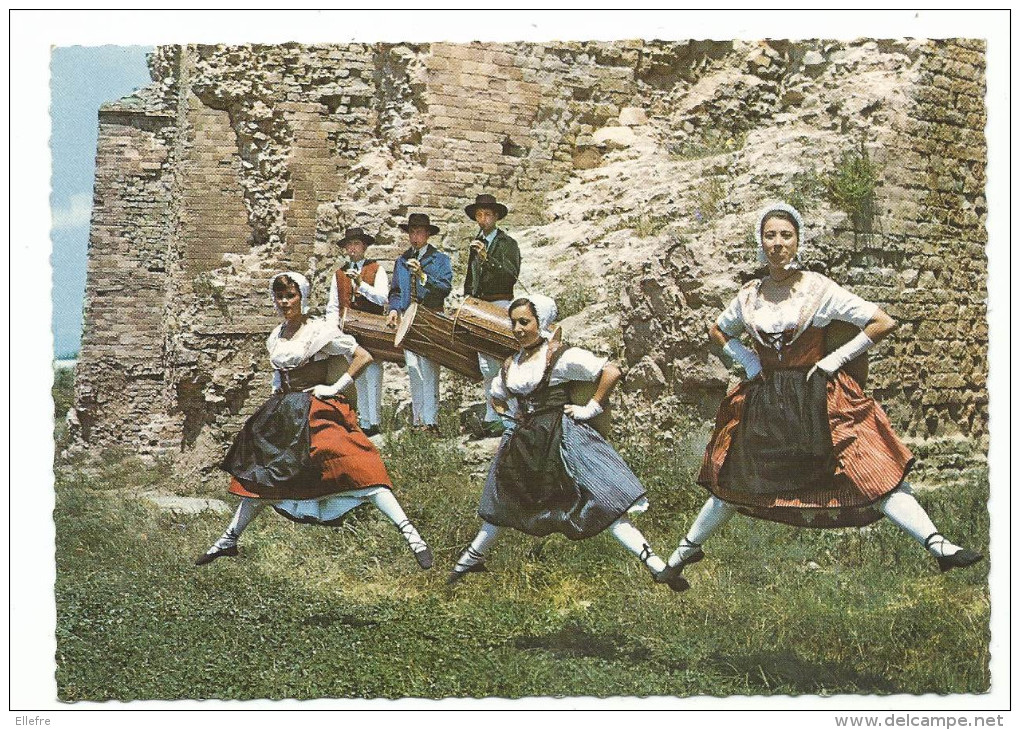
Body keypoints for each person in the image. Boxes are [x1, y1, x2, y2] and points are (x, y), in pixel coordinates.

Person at [656, 202, 983, 589]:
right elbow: (718, 330)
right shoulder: (749, 296)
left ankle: (938, 545)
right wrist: (747, 360)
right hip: (767, 402)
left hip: (819, 398)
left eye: (786, 235)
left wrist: (833, 361)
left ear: (798, 241)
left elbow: (881, 322)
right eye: (770, 235)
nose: (778, 244)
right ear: (760, 242)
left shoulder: (817, 288)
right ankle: (678, 559)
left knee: (872, 471)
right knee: (732, 484)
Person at [447, 294, 687, 591]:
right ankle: (470, 559)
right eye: (514, 323)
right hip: (525, 443)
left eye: (526, 322)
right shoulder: (512, 363)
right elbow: (497, 394)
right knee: (502, 501)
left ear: (542, 322)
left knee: (603, 500)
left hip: (562, 440)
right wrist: (509, 416)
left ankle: (655, 564)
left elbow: (611, 371)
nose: (519, 329)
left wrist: (592, 408)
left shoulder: (561, 357)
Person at [196, 272, 433, 570]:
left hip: (315, 409)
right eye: (280, 296)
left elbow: (363, 356)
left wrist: (332, 388)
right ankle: (228, 540)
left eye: (291, 296)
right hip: (284, 413)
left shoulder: (320, 331)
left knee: (361, 465)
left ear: (303, 297)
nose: (284, 302)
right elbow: (277, 375)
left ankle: (413, 536)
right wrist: (272, 404)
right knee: (260, 480)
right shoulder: (277, 335)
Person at [386, 213, 453, 434]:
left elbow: (444, 288)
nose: (415, 237)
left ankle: (431, 421)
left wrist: (423, 275)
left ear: (427, 235)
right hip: (408, 318)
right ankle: (418, 420)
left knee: (429, 368)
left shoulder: (440, 259)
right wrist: (395, 309)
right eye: (412, 232)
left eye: (419, 232)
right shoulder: (401, 260)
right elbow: (395, 291)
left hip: (430, 316)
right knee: (414, 368)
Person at [463, 193, 522, 439]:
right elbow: (470, 276)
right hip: (480, 305)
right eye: (479, 215)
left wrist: (489, 260)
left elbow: (512, 274)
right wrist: (467, 298)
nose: (483, 219)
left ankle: (510, 412)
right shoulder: (476, 242)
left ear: (496, 217)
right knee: (486, 364)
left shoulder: (507, 243)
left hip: (499, 301)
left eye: (487, 214)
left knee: (503, 357)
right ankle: (491, 414)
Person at [325, 227, 388, 437]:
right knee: (357, 374)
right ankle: (365, 420)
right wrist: (333, 331)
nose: (353, 249)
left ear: (364, 247)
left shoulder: (376, 269)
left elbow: (383, 299)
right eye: (349, 245)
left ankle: (375, 420)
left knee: (374, 372)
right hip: (350, 331)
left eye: (357, 245)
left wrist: (361, 285)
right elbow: (333, 306)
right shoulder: (339, 273)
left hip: (371, 327)